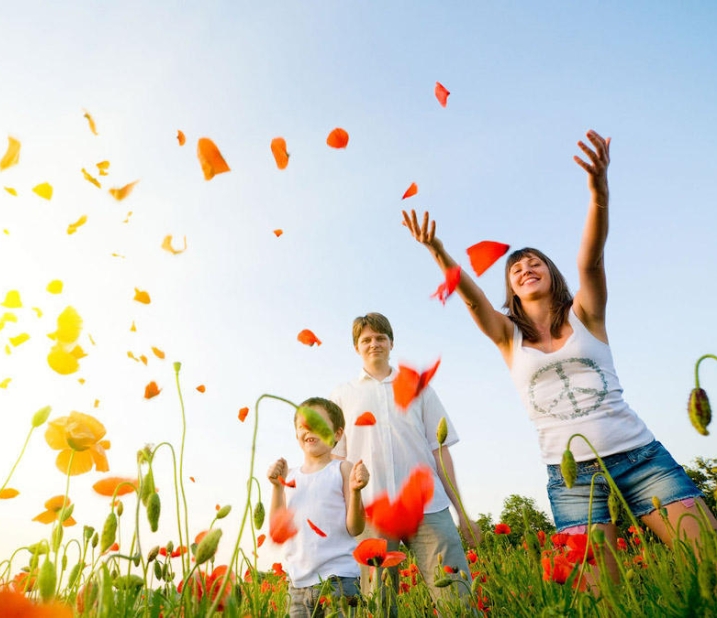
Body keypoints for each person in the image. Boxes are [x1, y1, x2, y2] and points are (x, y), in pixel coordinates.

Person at [402, 129, 717, 579]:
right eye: (515, 268)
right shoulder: (506, 336)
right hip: (571, 478)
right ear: (510, 287)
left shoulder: (588, 313)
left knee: (708, 560)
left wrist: (598, 191)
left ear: (551, 273)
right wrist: (437, 249)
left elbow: (591, 261)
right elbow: (472, 299)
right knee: (602, 596)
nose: (526, 268)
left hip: (641, 457)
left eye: (535, 263)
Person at [331, 312, 478, 604]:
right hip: (372, 512)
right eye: (366, 339)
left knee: (457, 597)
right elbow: (337, 463)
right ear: (356, 347)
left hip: (428, 508)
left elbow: (440, 450)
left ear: (391, 343)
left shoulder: (419, 388)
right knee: (379, 603)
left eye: (380, 338)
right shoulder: (342, 395)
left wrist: (462, 511)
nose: (374, 344)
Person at [267, 397, 370, 618]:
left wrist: (355, 491)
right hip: (298, 586)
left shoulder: (342, 469)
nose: (309, 430)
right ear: (297, 435)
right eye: (303, 426)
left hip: (339, 581)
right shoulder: (290, 477)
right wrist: (277, 488)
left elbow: (355, 528)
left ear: (337, 434)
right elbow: (278, 530)